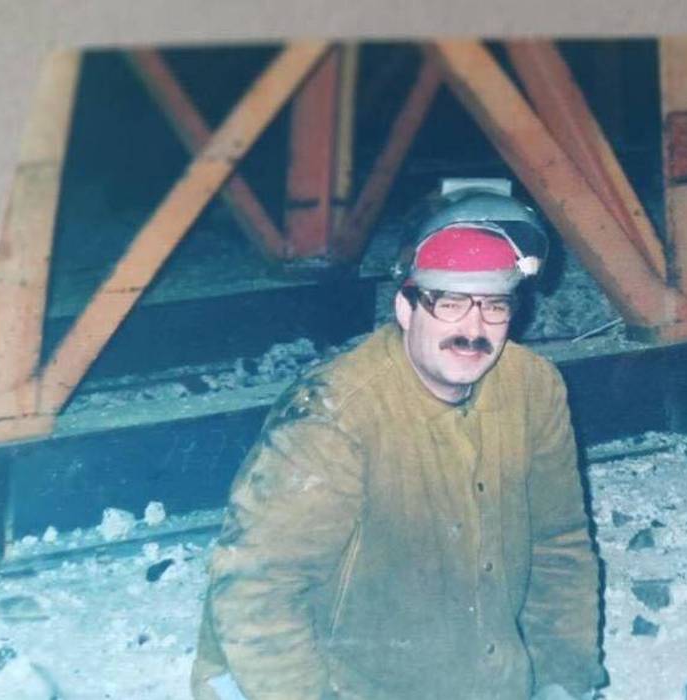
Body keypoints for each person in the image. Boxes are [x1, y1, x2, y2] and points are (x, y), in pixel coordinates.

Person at [190, 181, 607, 700]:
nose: (474, 328)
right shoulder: (333, 414)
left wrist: (564, 681)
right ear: (407, 308)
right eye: (450, 303)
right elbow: (258, 590)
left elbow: (559, 544)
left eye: (495, 306)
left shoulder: (534, 387)